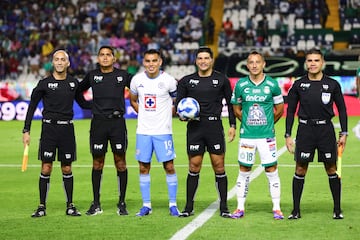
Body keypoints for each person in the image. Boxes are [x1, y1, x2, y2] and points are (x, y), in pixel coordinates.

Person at [23, 50, 91, 217]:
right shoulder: (44, 83)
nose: (60, 62)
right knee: (46, 168)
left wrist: (105, 103)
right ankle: (41, 206)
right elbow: (32, 107)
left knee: (66, 168)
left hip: (67, 130)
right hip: (49, 130)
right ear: (52, 63)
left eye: (63, 60)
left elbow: (83, 104)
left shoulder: (73, 83)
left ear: (68, 63)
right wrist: (26, 130)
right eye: (57, 59)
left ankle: (70, 205)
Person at [285, 48, 348, 220]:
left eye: (316, 60)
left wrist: (344, 132)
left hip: (325, 131)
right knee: (300, 168)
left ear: (323, 63)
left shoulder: (333, 84)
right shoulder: (298, 84)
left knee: (331, 168)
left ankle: (337, 209)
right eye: (310, 61)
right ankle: (296, 210)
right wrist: (288, 135)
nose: (312, 64)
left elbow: (342, 109)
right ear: (306, 63)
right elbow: (290, 111)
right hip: (305, 130)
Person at [176, 46, 236, 218]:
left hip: (214, 127)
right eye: (200, 58)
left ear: (211, 60)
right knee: (194, 166)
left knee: (219, 166)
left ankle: (224, 207)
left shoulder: (221, 79)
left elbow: (230, 104)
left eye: (206, 58)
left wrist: (232, 125)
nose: (203, 61)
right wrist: (182, 116)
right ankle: (188, 207)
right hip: (195, 128)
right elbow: (179, 106)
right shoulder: (186, 81)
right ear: (196, 61)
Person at [78, 45, 132, 216]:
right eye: (102, 55)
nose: (105, 57)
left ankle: (122, 202)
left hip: (117, 124)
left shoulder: (123, 76)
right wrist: (88, 105)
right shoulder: (92, 76)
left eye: (109, 55)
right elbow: (78, 92)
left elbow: (140, 88)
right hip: (98, 124)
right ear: (98, 58)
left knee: (120, 162)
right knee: (97, 163)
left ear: (114, 59)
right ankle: (96, 203)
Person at [230, 51, 285, 220]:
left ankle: (276, 208)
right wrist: (246, 122)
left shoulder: (272, 84)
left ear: (263, 64)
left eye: (257, 62)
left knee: (271, 169)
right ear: (247, 65)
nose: (254, 65)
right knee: (244, 170)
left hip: (266, 136)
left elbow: (280, 109)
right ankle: (240, 208)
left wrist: (268, 124)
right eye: (251, 62)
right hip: (247, 136)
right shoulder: (240, 85)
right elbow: (236, 108)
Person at [129, 49, 179, 217]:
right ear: (144, 62)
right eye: (148, 61)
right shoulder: (137, 80)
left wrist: (169, 115)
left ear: (160, 62)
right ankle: (146, 205)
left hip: (163, 132)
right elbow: (133, 100)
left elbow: (176, 101)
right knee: (144, 167)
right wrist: (142, 113)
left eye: (154, 61)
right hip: (143, 131)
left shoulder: (169, 81)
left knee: (169, 166)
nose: (151, 64)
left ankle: (173, 204)